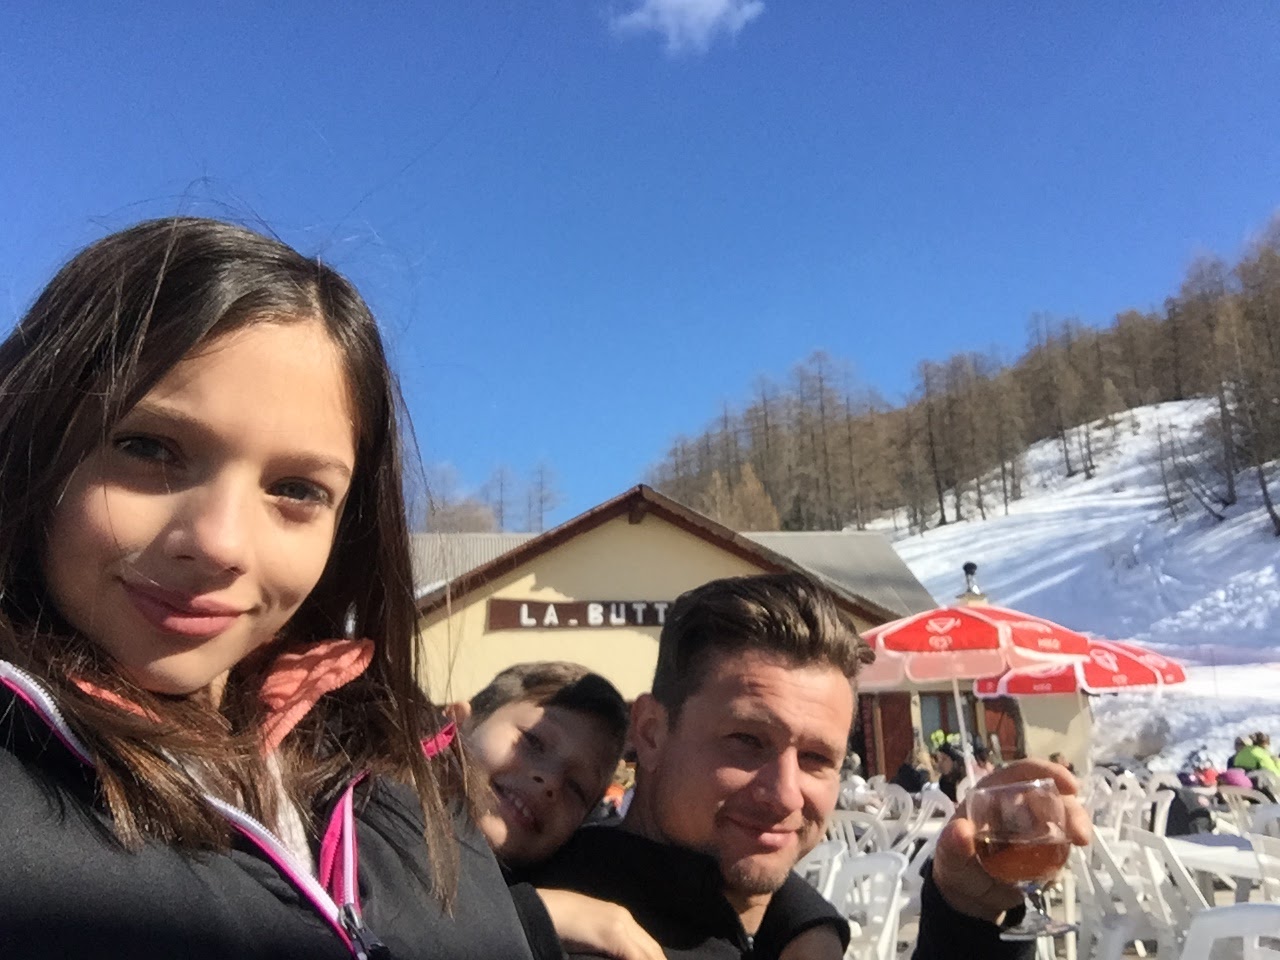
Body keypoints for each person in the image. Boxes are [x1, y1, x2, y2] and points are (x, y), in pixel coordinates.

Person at [0, 218, 548, 958]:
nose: (221, 544)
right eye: (147, 448)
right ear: (32, 438)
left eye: (296, 489)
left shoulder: (397, 752)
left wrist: (540, 922)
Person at [528, 572, 1092, 960]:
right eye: (746, 741)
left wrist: (965, 915)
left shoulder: (764, 924)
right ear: (651, 733)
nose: (785, 794)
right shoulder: (556, 934)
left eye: (818, 758)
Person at [459, 660, 666, 960]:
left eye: (576, 788)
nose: (551, 782)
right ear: (458, 723)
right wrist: (536, 912)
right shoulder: (386, 820)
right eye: (533, 741)